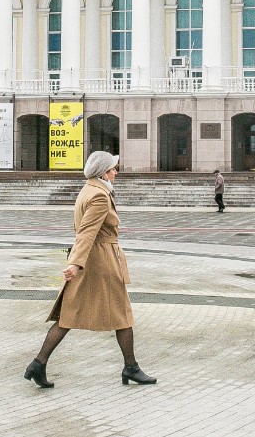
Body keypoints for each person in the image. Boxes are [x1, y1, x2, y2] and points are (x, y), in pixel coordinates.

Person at [24, 151, 156, 388]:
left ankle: (38, 364)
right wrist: (75, 263)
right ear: (104, 172)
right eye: (114, 169)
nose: (116, 172)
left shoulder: (89, 189)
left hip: (93, 260)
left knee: (69, 315)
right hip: (101, 262)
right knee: (122, 314)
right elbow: (87, 232)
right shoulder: (99, 196)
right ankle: (131, 368)